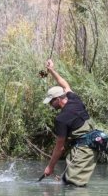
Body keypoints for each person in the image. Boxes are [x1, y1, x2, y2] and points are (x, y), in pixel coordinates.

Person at [41, 59, 98, 187]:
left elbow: (60, 147)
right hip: (90, 145)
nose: (50, 105)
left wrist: (50, 167)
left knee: (73, 183)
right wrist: (51, 71)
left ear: (58, 99)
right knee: (67, 181)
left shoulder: (61, 118)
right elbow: (64, 85)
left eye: (51, 102)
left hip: (83, 149)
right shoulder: (74, 99)